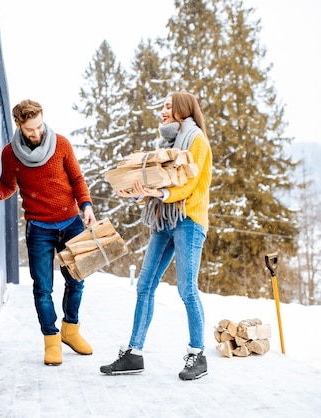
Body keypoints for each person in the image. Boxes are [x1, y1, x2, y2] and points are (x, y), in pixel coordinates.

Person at [100, 91, 212, 380]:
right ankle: (134, 354)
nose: (162, 111)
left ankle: (197, 355)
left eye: (167, 107)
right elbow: (153, 185)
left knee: (187, 289)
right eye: (161, 106)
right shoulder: (165, 144)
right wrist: (138, 193)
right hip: (164, 220)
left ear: (182, 110)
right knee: (144, 285)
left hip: (188, 220)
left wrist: (157, 192)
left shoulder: (197, 140)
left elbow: (189, 185)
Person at [0, 99, 97, 366]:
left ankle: (71, 330)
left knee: (77, 281)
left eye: (39, 126)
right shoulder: (10, 154)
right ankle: (51, 339)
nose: (36, 133)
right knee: (43, 288)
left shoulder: (62, 144)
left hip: (71, 223)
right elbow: (7, 185)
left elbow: (77, 179)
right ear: (19, 125)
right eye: (30, 129)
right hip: (39, 228)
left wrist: (86, 206)